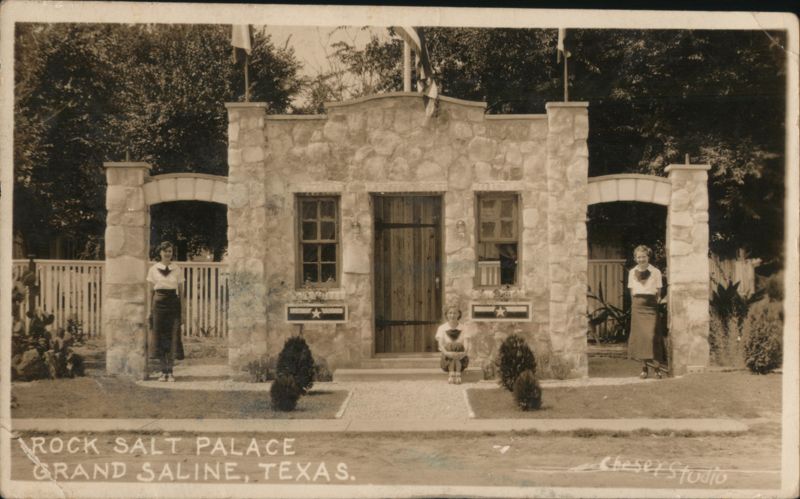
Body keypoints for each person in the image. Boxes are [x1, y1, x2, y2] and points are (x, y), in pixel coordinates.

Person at [146, 241, 185, 382]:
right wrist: (149, 311)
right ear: (160, 253)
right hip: (158, 304)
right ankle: (163, 372)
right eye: (165, 251)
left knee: (173, 336)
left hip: (173, 304)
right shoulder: (153, 269)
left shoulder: (177, 269)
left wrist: (183, 312)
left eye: (170, 251)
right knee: (160, 337)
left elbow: (181, 293)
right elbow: (150, 292)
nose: (168, 253)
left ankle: (171, 371)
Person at [627, 245, 667, 379]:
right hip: (638, 307)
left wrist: (654, 301)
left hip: (651, 306)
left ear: (648, 257)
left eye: (643, 257)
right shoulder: (632, 272)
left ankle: (657, 369)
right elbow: (632, 291)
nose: (641, 259)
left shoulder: (655, 272)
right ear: (635, 258)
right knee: (642, 338)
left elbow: (659, 290)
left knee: (652, 337)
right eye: (638, 257)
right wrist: (635, 304)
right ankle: (644, 369)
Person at [435, 304, 473, 384]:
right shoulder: (442, 328)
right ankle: (453, 374)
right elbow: (441, 345)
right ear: (446, 315)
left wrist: (463, 353)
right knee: (450, 345)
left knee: (458, 345)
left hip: (461, 357)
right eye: (450, 313)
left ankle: (455, 374)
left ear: (459, 314)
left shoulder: (464, 328)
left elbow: (466, 344)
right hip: (447, 358)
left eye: (455, 313)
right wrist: (448, 353)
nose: (452, 315)